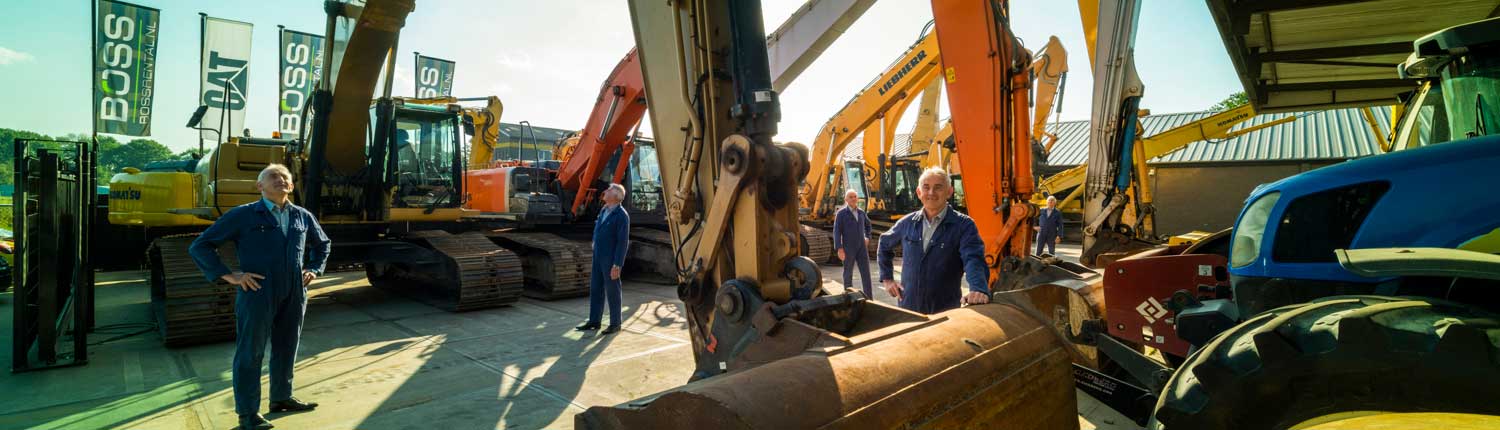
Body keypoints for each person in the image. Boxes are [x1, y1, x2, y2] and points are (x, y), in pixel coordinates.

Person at [189, 164, 330, 430]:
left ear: (291, 185)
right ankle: (247, 414)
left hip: (294, 291)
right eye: (274, 177)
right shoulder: (243, 215)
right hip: (258, 290)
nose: (281, 180)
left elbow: (323, 244)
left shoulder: (302, 215)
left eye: (286, 178)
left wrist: (313, 268)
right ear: (260, 186)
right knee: (251, 352)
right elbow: (201, 246)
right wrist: (230, 275)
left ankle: (281, 397)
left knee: (287, 346)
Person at [877, 167, 989, 314]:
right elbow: (884, 244)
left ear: (949, 192)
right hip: (909, 307)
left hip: (945, 310)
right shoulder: (907, 223)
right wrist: (887, 279)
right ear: (918, 192)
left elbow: (973, 259)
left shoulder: (963, 225)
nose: (931, 193)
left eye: (938, 188)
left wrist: (978, 289)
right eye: (926, 187)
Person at [577, 183, 630, 335]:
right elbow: (598, 229)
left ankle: (615, 324)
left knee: (613, 290)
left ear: (615, 196)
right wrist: (594, 241)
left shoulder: (621, 216)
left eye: (608, 190)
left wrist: (617, 264)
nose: (604, 192)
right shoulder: (604, 210)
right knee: (596, 289)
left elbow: (622, 242)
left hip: (610, 259)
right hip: (598, 256)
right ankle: (594, 321)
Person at [832, 189, 873, 297]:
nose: (853, 198)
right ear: (846, 199)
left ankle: (869, 297)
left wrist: (867, 237)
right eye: (851, 197)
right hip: (848, 248)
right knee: (848, 273)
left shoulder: (861, 212)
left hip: (862, 248)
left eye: (855, 196)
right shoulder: (841, 214)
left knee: (866, 274)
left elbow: (868, 226)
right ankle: (848, 297)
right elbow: (836, 231)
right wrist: (839, 249)